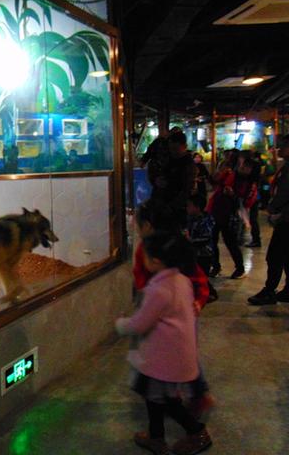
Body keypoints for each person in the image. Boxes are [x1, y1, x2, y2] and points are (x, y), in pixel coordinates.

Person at [116, 232, 212, 455]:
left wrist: (120, 323)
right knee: (154, 397)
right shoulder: (182, 281)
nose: (143, 261)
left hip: (162, 361)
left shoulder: (158, 290)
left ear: (157, 261)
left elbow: (140, 324)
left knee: (167, 402)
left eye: (146, 257)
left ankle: (197, 432)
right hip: (172, 356)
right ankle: (156, 436)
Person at [248, 134, 289, 306]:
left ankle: (269, 291)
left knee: (275, 255)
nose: (281, 147)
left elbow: (286, 190)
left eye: (286, 144)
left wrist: (273, 207)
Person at [207, 149, 247, 279]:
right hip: (217, 210)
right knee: (213, 239)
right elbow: (214, 181)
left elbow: (241, 196)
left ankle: (239, 267)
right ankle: (216, 266)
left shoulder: (236, 176)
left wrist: (232, 195)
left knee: (230, 241)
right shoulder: (225, 175)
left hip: (226, 211)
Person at [153, 129, 197, 227]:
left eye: (176, 149)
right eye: (171, 148)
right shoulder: (169, 160)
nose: (173, 152)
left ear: (184, 146)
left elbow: (187, 190)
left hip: (178, 210)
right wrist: (157, 181)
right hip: (165, 205)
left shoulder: (188, 165)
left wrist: (171, 207)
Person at [187, 194, 218, 303]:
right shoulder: (191, 219)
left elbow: (206, 238)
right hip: (195, 253)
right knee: (198, 274)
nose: (187, 208)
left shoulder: (205, 220)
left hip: (204, 254)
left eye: (189, 206)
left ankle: (210, 293)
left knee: (202, 275)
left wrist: (191, 241)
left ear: (197, 207)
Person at [246, 151, 265, 247]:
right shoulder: (258, 165)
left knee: (253, 218)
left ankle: (256, 239)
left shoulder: (253, 167)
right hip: (255, 194)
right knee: (252, 217)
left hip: (253, 195)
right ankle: (255, 239)